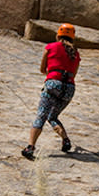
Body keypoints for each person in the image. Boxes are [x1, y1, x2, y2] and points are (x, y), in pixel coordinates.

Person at [22, 23, 80, 159]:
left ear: (58, 35)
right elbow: (74, 74)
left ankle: (30, 147)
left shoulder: (51, 47)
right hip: (69, 89)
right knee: (52, 117)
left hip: (53, 84)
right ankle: (65, 140)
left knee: (41, 115)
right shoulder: (75, 53)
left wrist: (53, 73)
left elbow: (42, 69)